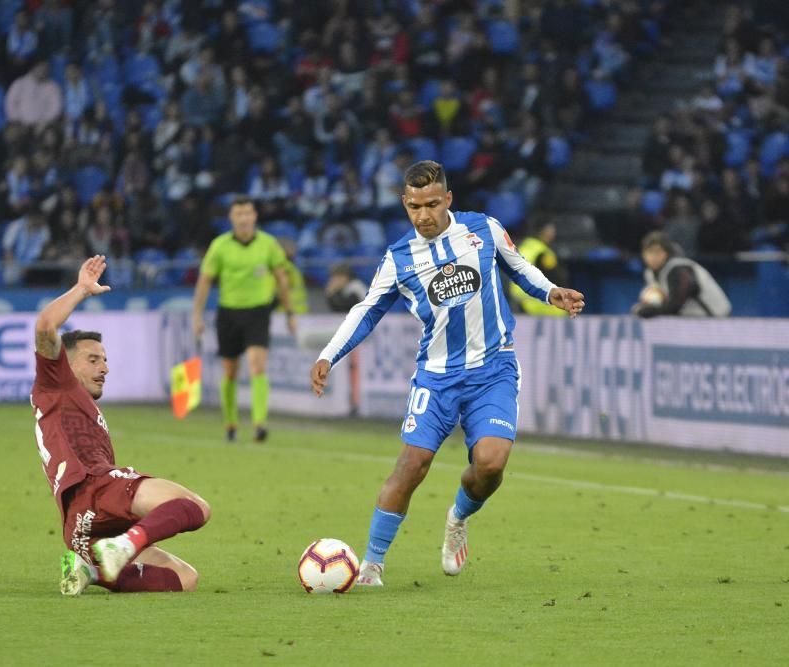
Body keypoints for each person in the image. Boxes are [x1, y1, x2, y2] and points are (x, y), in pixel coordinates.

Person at [309, 160, 584, 586]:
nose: (424, 215)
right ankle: (371, 565)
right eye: (415, 206)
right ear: (405, 203)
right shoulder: (399, 258)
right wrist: (329, 354)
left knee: (490, 465)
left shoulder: (484, 230)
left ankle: (458, 516)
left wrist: (550, 291)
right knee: (411, 465)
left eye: (432, 204)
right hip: (437, 378)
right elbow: (366, 311)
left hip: (494, 368)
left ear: (448, 199)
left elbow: (518, 268)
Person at [32, 256, 211, 596]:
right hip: (94, 489)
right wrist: (82, 290)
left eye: (106, 360)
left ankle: (91, 570)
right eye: (94, 359)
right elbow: (44, 326)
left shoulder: (75, 405)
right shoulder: (56, 383)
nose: (105, 367)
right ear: (65, 364)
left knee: (185, 578)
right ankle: (127, 545)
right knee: (197, 508)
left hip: (80, 527)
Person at [192, 195, 297, 443]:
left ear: (254, 216)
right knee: (230, 372)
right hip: (228, 312)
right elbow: (205, 281)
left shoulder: (268, 244)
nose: (244, 219)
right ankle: (230, 424)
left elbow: (282, 279)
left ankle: (260, 424)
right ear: (231, 218)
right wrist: (197, 315)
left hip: (258, 312)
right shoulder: (220, 246)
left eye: (248, 213)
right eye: (239, 214)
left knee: (257, 364)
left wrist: (290, 313)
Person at [632, 231, 731, 318]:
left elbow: (674, 305)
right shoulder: (649, 273)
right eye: (649, 252)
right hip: (691, 320)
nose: (653, 257)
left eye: (658, 252)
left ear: (667, 253)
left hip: (716, 320)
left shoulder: (678, 269)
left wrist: (649, 311)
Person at [508, 221, 568, 316]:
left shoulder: (523, 247)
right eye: (551, 229)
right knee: (564, 311)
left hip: (517, 301)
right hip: (533, 303)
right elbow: (557, 277)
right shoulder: (542, 253)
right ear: (544, 231)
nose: (554, 232)